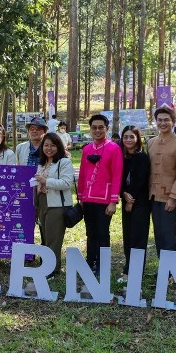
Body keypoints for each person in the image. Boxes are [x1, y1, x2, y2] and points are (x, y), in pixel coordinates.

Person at [77, 114, 122, 273]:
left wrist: (113, 201)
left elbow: (117, 175)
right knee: (91, 233)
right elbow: (82, 174)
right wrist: (80, 196)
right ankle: (90, 263)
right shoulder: (87, 149)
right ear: (90, 130)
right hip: (88, 199)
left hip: (105, 200)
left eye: (100, 127)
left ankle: (103, 266)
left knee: (103, 233)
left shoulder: (114, 148)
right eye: (94, 127)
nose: (97, 130)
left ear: (107, 128)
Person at [146, 107, 176, 254]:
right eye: (159, 120)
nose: (162, 123)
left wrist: (173, 197)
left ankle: (170, 273)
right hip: (152, 196)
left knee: (168, 235)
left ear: (173, 121)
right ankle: (164, 270)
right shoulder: (151, 142)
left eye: (166, 120)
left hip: (169, 197)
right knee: (158, 234)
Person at [34, 132, 74, 263]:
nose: (49, 148)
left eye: (52, 145)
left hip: (57, 205)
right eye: (46, 145)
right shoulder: (42, 163)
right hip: (42, 202)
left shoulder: (64, 162)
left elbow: (67, 183)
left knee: (53, 239)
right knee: (45, 236)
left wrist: (45, 181)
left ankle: (52, 269)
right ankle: (45, 265)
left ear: (59, 147)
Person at [119, 125, 151, 279]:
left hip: (141, 203)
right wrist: (123, 194)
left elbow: (141, 181)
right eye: (125, 136)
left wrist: (131, 200)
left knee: (138, 238)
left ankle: (136, 271)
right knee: (128, 236)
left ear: (138, 139)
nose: (128, 140)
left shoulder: (142, 157)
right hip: (125, 200)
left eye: (132, 136)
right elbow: (118, 179)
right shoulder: (122, 156)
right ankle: (127, 269)